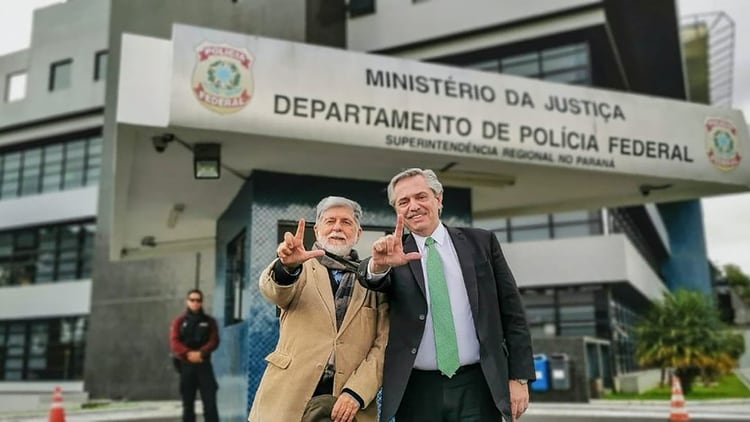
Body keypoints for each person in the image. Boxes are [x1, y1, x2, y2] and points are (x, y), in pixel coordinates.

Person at [358, 168, 535, 422]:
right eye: (403, 202)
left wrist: (518, 377)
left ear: (438, 199)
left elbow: (512, 313)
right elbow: (370, 278)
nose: (413, 206)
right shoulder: (393, 255)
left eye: (421, 197)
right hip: (417, 389)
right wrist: (379, 265)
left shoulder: (481, 243)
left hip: (478, 385)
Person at [248, 196, 389, 422]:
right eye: (330, 221)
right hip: (288, 398)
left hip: (347, 404)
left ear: (358, 233)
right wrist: (287, 266)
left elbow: (383, 347)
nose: (337, 228)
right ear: (317, 229)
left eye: (346, 222)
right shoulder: (298, 267)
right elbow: (273, 290)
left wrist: (357, 392)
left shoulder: (374, 279)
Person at [170, 289, 220, 422]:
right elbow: (175, 341)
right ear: (187, 301)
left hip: (204, 366)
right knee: (188, 405)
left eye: (198, 300)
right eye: (192, 300)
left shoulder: (209, 322)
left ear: (202, 302)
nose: (195, 303)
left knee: (210, 404)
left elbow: (214, 340)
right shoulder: (179, 322)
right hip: (186, 367)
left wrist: (201, 353)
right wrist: (188, 353)